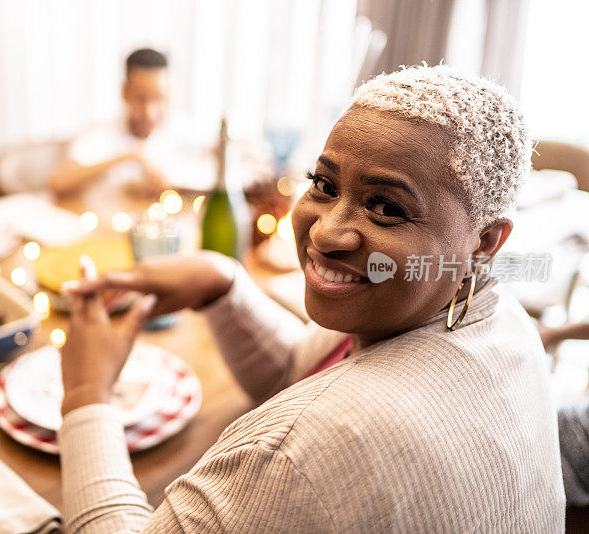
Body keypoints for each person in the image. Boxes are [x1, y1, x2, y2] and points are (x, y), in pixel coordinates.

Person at [57, 65, 565, 532]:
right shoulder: (495, 317)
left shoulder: (299, 451)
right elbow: (301, 376)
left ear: (484, 241)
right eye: (323, 184)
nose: (326, 233)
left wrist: (86, 395)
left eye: (386, 207)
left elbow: (304, 423)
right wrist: (223, 284)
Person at [49, 48, 214, 201]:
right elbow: (58, 183)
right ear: (125, 91)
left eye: (158, 98)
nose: (149, 112)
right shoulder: (101, 134)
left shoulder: (183, 130)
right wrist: (131, 155)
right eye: (140, 98)